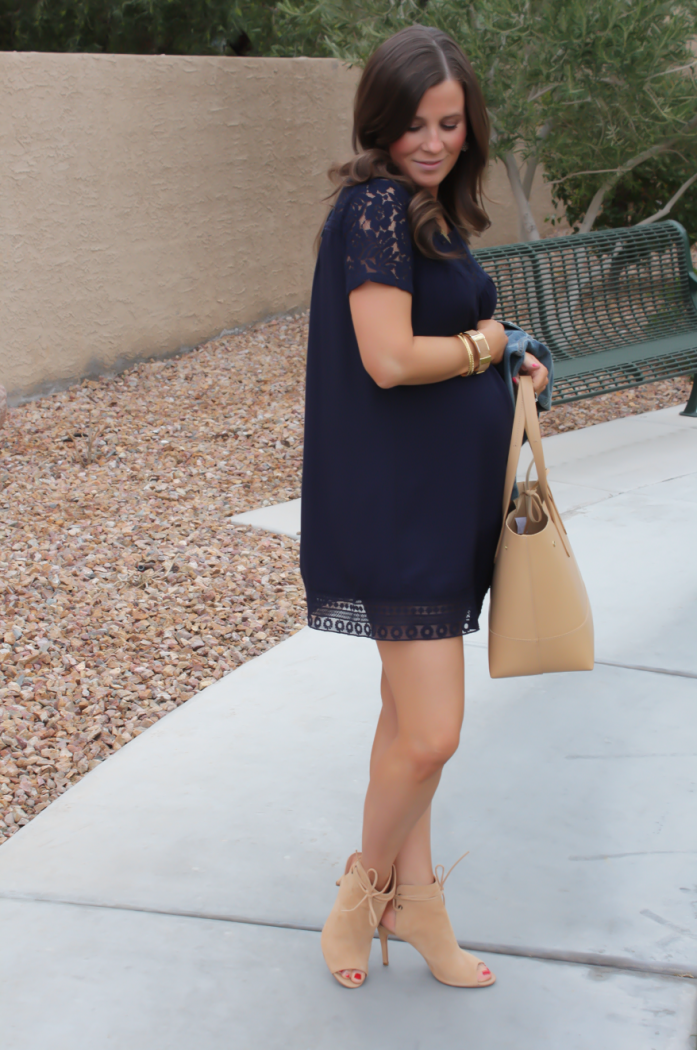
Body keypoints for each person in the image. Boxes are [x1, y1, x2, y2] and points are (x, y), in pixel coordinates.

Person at [300, 24, 549, 990]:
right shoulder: (373, 211)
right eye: (413, 125)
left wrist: (510, 354)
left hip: (445, 506)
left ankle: (421, 905)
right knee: (432, 731)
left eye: (448, 123)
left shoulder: (426, 214)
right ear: (380, 124)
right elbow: (390, 357)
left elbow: (449, 337)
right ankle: (361, 894)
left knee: (405, 716)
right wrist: (488, 346)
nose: (433, 141)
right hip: (397, 508)